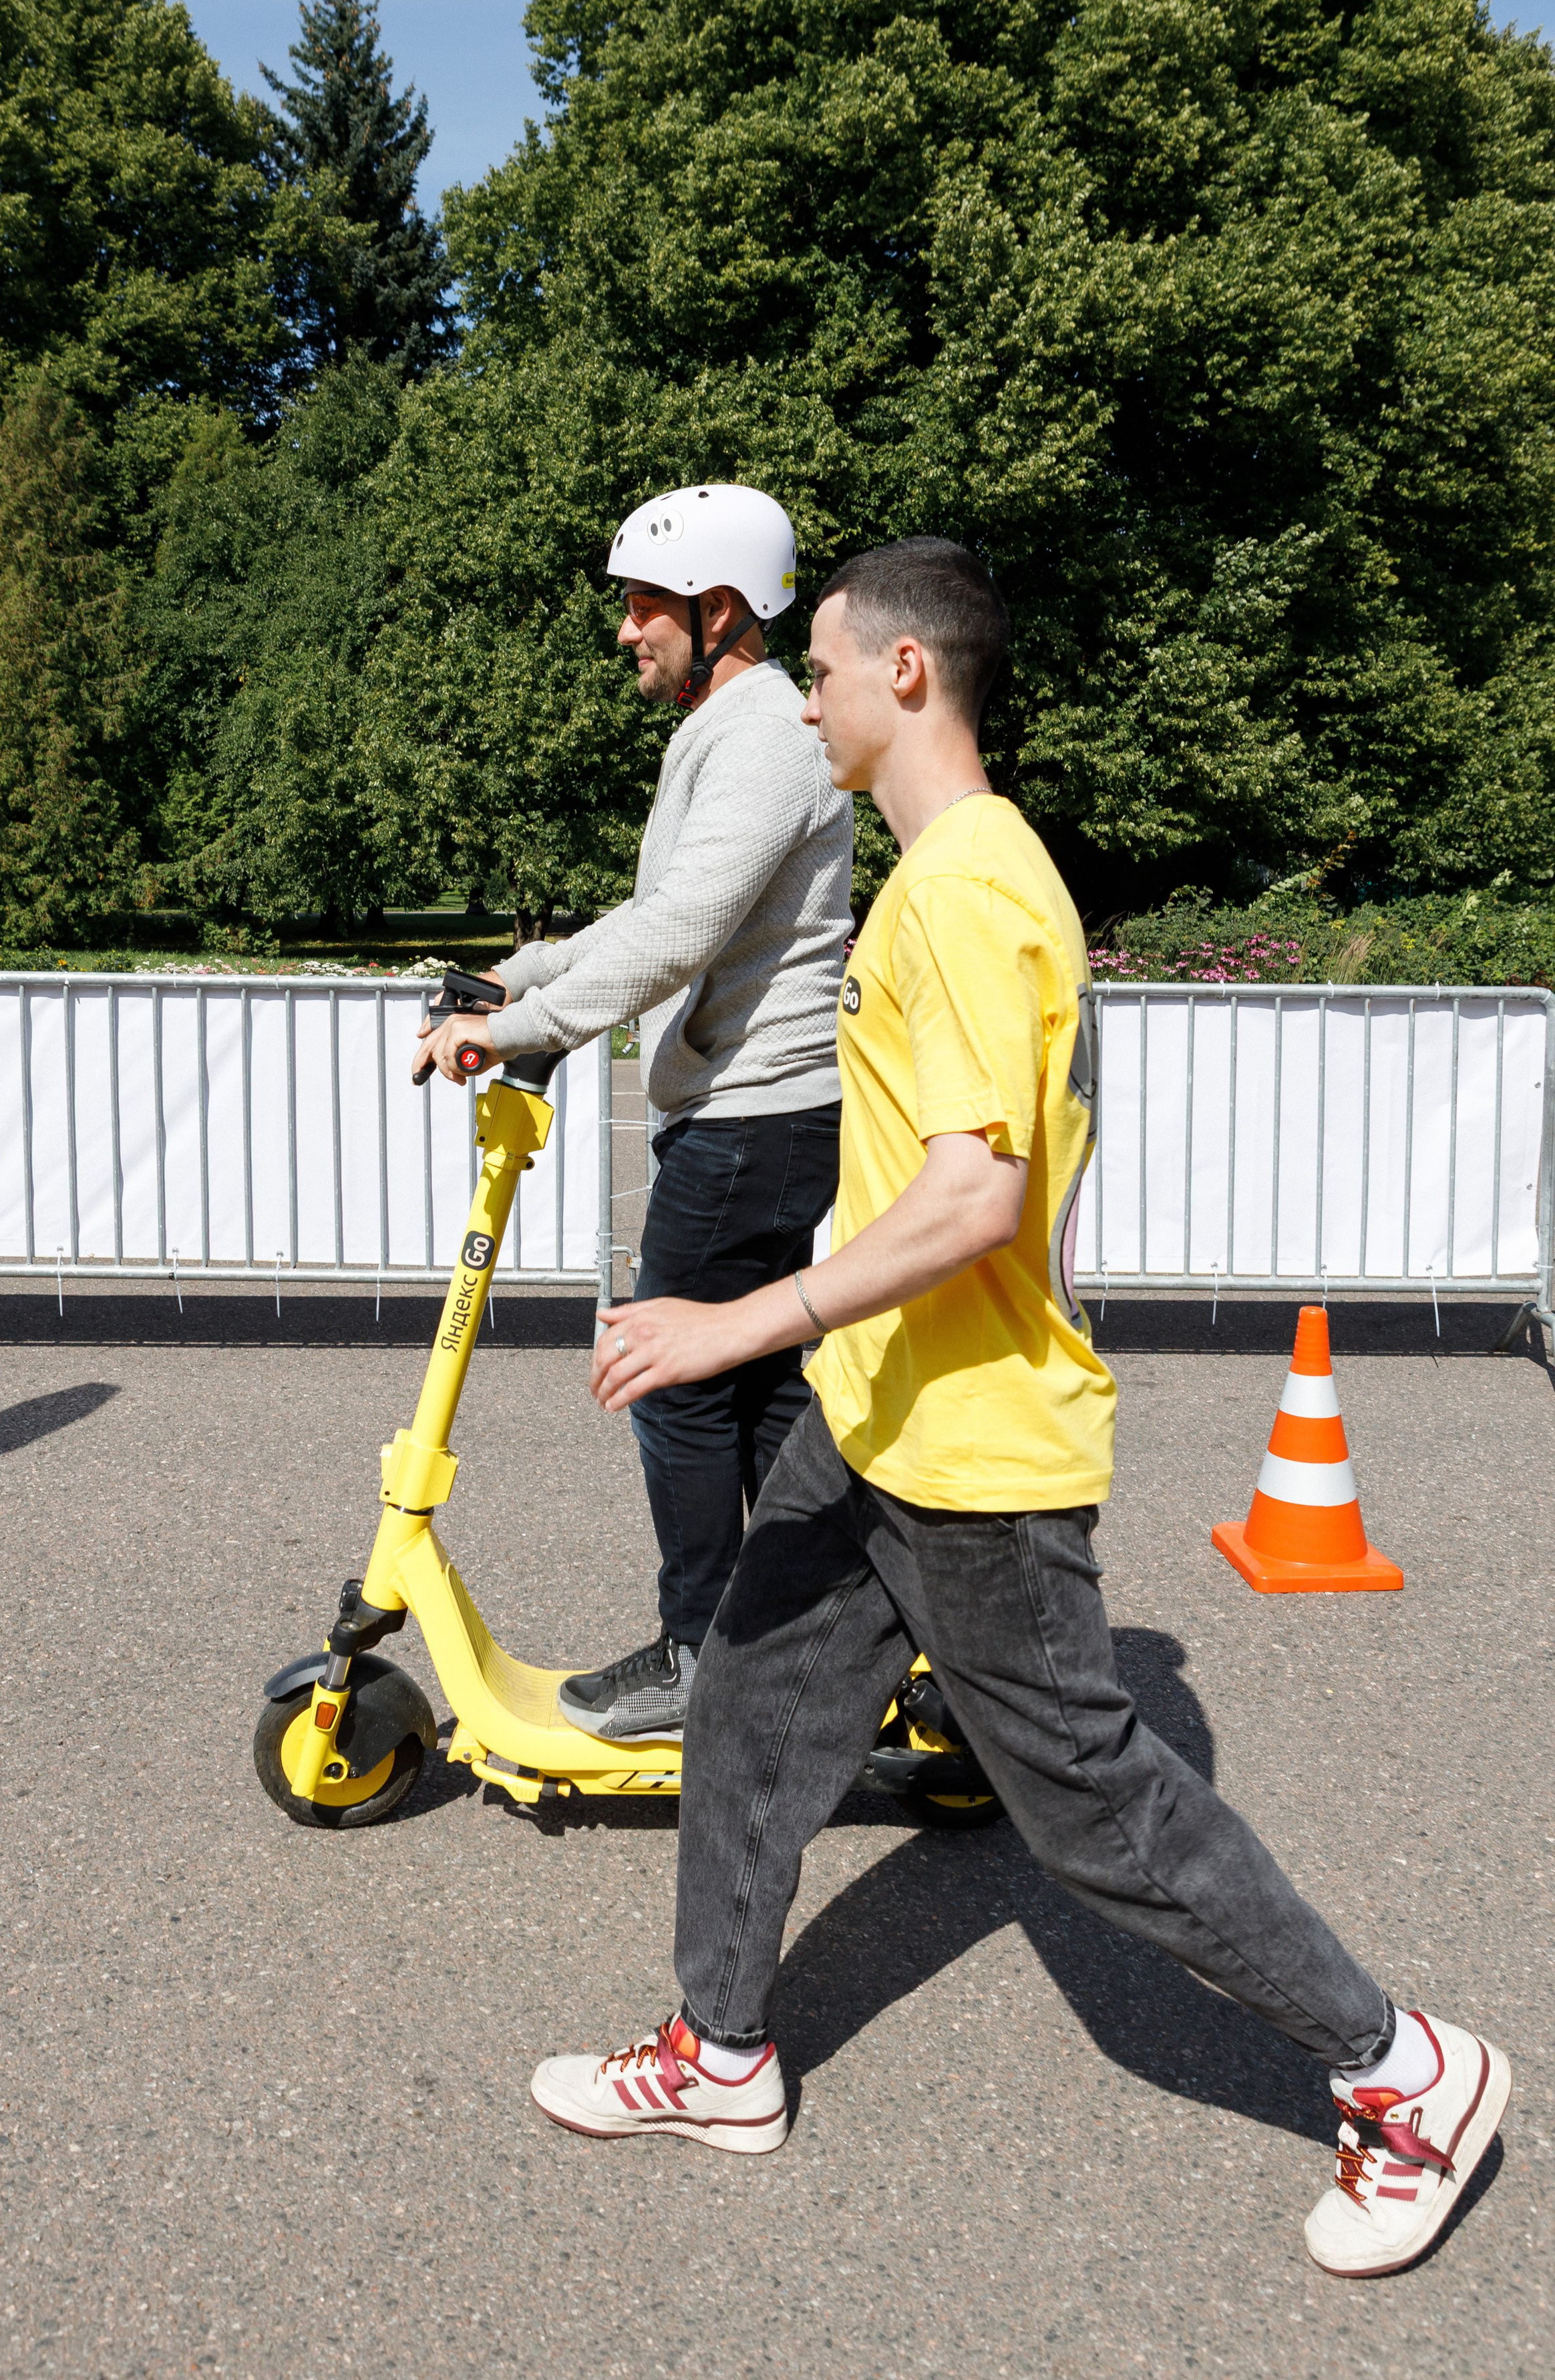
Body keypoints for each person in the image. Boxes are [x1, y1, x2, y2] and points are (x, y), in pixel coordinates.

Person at [528, 537, 1511, 2280]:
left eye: (820, 668)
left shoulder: (971, 888)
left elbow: (974, 1200)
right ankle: (723, 2056)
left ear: (906, 673)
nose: (803, 695)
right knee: (751, 1709)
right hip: (882, 1408)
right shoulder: (955, 879)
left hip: (976, 1448)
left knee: (1097, 1812)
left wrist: (729, 1322)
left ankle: (1409, 2076)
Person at [413, 484, 853, 1741]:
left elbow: (682, 931)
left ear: (719, 612)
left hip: (755, 1116)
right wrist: (526, 973)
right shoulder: (734, 732)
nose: (626, 635)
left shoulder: (764, 736)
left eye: (643, 608)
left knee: (665, 1375)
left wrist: (512, 1031)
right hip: (760, 1113)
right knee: (755, 1389)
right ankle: (812, 1628)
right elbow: (649, 917)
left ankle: (703, 1657)